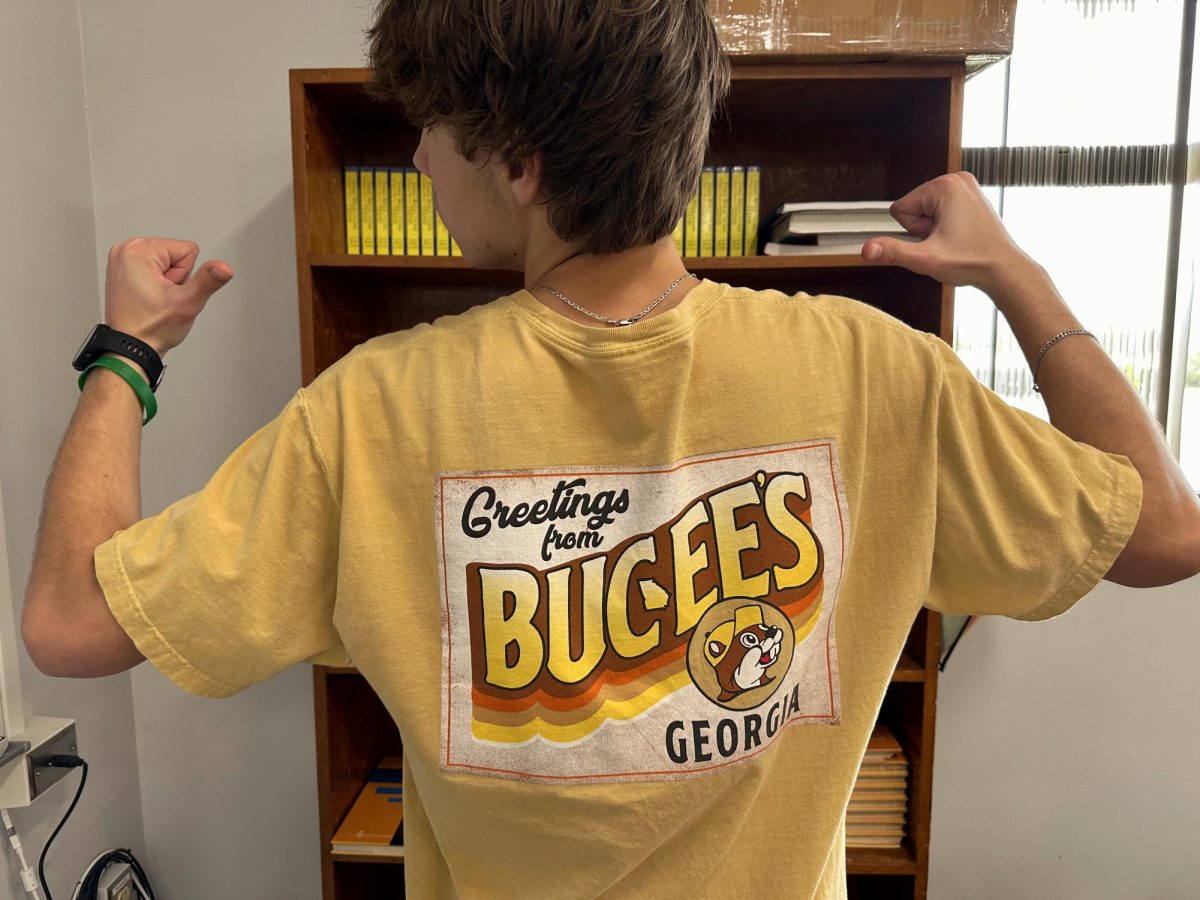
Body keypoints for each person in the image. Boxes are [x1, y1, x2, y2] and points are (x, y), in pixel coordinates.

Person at [21, 1, 1200, 897]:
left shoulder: (371, 411)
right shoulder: (878, 370)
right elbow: (1163, 531)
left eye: (436, 125)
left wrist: (124, 350)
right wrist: (1011, 271)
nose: (421, 156)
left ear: (524, 165)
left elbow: (70, 625)